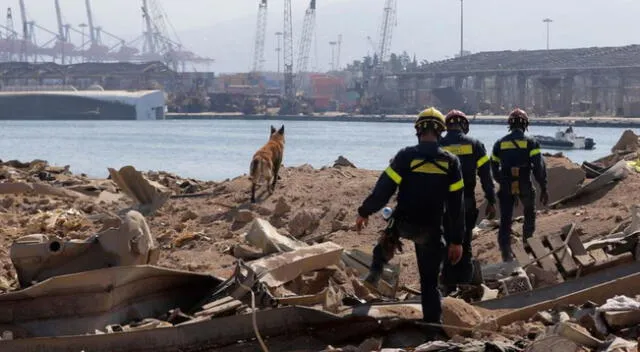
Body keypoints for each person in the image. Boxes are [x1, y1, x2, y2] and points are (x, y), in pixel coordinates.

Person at [355, 107, 465, 326]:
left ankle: (375, 273)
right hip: (431, 229)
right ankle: (432, 327)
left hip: (404, 223)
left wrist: (364, 212)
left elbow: (383, 191)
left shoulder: (405, 156)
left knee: (385, 242)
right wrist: (456, 241)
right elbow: (456, 206)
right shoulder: (452, 162)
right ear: (441, 132)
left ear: (418, 130)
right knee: (429, 283)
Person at [440, 109, 496, 290]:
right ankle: (464, 286)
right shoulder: (476, 145)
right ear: (464, 125)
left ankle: (447, 285)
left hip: (443, 205)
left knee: (446, 242)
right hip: (467, 203)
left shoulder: (438, 145)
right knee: (465, 243)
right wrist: (491, 200)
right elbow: (486, 176)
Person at [490, 108, 549, 262]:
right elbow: (538, 167)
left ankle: (506, 255)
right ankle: (527, 247)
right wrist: (543, 187)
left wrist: (501, 181)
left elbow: (493, 166)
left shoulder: (499, 143)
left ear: (510, 124)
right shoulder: (531, 142)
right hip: (524, 182)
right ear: (525, 125)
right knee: (529, 212)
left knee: (505, 220)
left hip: (506, 183)